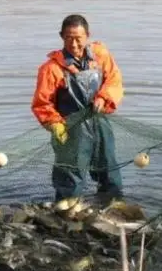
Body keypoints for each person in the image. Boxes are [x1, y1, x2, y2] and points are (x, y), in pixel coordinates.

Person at [31, 14, 124, 205]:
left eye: (78, 39)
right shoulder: (51, 68)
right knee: (70, 180)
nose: (73, 44)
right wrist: (54, 124)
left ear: (87, 35)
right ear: (61, 36)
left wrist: (103, 97)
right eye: (68, 38)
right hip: (70, 130)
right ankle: (66, 218)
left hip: (100, 124)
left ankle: (111, 209)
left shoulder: (101, 55)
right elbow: (42, 103)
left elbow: (114, 81)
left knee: (109, 172)